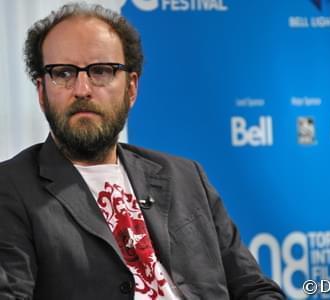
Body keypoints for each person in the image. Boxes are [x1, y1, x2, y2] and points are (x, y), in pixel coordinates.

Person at [0, 3, 285, 300]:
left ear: (131, 88)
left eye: (101, 71)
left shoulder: (187, 177)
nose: (82, 88)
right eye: (63, 73)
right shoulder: (11, 188)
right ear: (42, 93)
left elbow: (255, 289)